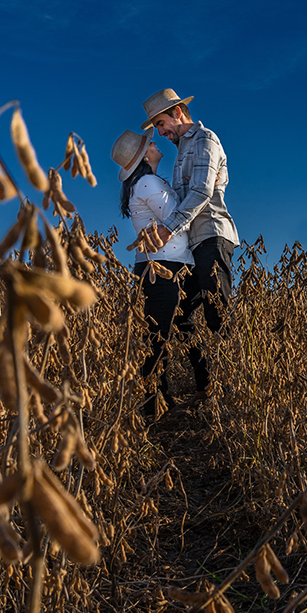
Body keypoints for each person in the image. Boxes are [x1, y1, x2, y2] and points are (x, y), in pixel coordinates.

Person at [134, 88, 239, 396]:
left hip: (212, 237)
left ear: (178, 113)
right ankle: (208, 386)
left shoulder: (205, 139)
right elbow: (180, 198)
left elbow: (201, 193)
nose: (160, 132)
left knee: (218, 314)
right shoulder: (182, 150)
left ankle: (236, 385)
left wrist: (168, 229)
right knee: (182, 319)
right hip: (195, 245)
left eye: (161, 123)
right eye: (156, 127)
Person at [111, 127, 192, 417]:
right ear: (144, 155)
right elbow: (179, 218)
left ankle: (160, 401)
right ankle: (153, 405)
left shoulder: (148, 181)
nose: (155, 143)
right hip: (162, 267)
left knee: (165, 332)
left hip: (158, 265)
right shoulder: (147, 183)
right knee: (160, 335)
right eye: (150, 143)